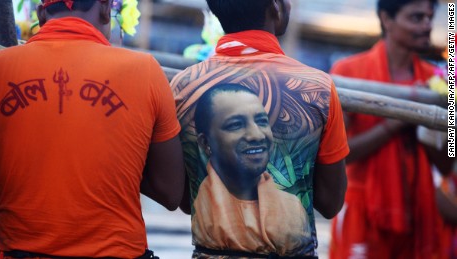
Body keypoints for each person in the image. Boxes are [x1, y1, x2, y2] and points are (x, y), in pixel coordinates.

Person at [0, 0, 185, 257]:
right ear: (107, 9)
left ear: (41, 15)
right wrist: (118, 158)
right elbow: (171, 192)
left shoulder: (1, 67)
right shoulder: (145, 71)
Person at [171, 0, 349, 257]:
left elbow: (186, 201)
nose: (255, 135)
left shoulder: (182, 87)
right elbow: (331, 203)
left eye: (261, 120)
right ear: (275, 5)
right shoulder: (317, 88)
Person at [328, 0, 453, 258]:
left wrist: (429, 125)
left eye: (430, 18)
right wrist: (399, 120)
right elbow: (337, 155)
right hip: (363, 214)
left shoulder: (436, 82)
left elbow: (446, 165)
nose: (427, 26)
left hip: (418, 212)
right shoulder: (349, 72)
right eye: (416, 18)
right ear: (387, 19)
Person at [191, 84, 312, 257]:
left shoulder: (292, 208)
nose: (257, 135)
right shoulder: (200, 205)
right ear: (205, 143)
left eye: (262, 121)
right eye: (235, 125)